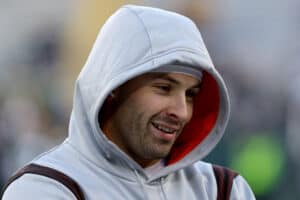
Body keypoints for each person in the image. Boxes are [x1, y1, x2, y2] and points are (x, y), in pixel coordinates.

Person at [1, 5, 256, 199]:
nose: (182, 111)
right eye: (164, 88)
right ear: (113, 88)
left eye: (190, 94)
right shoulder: (44, 189)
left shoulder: (222, 189)